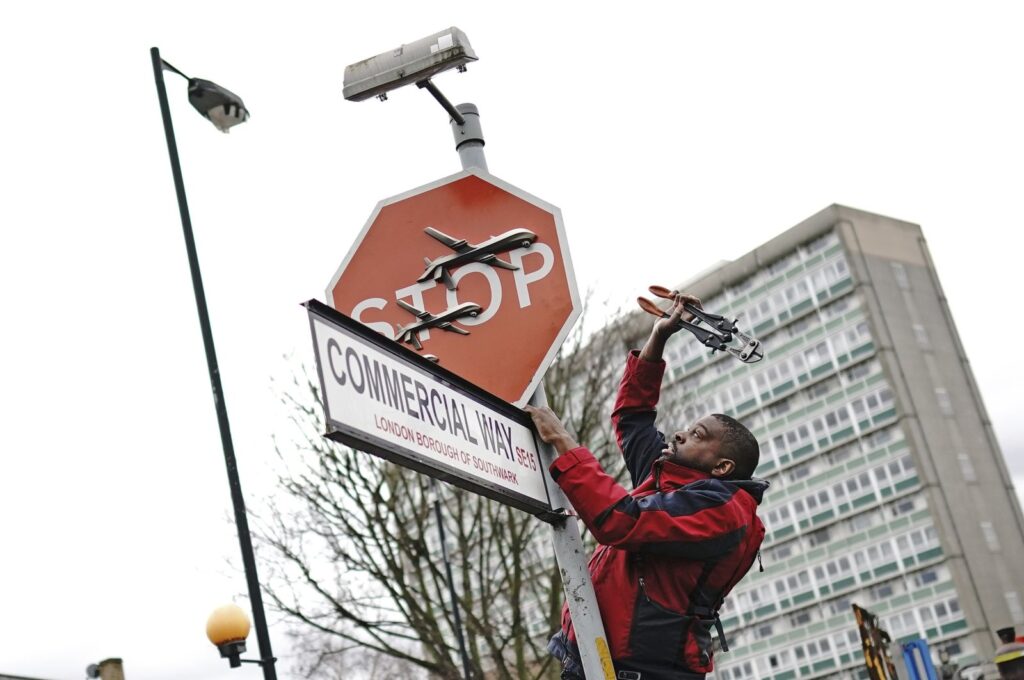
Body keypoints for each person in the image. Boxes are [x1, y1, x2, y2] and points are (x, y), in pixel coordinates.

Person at [526, 291, 769, 680]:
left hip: (638, 674)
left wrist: (564, 443)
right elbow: (633, 419)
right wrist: (659, 337)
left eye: (696, 434)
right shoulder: (667, 478)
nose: (679, 434)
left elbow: (619, 521)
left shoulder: (723, 511)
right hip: (587, 659)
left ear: (723, 466)